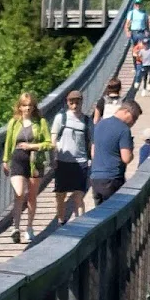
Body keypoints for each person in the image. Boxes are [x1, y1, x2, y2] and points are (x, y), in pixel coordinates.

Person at [3, 92, 53, 244]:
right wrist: (5, 160)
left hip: (35, 162)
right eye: (25, 105)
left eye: (30, 105)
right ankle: (15, 228)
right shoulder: (14, 122)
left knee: (31, 196)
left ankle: (29, 227)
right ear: (19, 107)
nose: (27, 108)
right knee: (19, 193)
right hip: (18, 160)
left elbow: (49, 143)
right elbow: (8, 142)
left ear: (34, 107)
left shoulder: (41, 122)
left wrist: (32, 146)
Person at [51, 90, 91, 224]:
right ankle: (61, 222)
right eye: (71, 102)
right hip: (62, 161)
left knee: (79, 196)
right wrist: (54, 157)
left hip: (81, 161)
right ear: (67, 103)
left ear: (81, 102)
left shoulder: (86, 120)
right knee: (60, 196)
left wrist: (92, 159)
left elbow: (91, 142)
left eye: (77, 103)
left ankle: (80, 224)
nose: (74, 106)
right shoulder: (60, 118)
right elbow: (53, 139)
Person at [91, 100, 141, 205]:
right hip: (113, 179)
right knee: (114, 211)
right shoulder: (124, 129)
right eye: (134, 118)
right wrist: (131, 150)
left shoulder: (100, 124)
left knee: (99, 212)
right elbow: (126, 158)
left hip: (96, 178)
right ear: (126, 112)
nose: (134, 122)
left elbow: (93, 153)